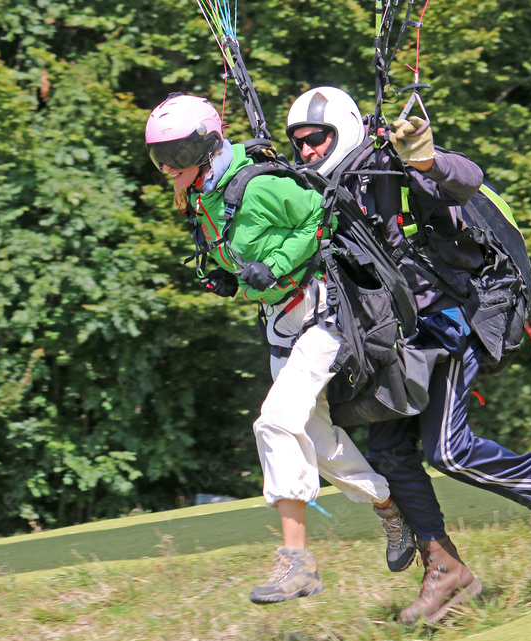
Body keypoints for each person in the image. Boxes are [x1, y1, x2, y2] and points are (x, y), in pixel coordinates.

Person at [286, 86, 531, 624]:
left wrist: (423, 156)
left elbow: (463, 180)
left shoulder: (389, 166)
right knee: (387, 450)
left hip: (448, 320)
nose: (308, 150)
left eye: (317, 138)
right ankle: (445, 569)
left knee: (446, 450)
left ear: (343, 130)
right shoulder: (318, 194)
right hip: (393, 342)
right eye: (299, 143)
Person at [144, 92, 416, 605]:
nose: (167, 168)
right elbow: (228, 252)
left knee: (273, 421)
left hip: (323, 310)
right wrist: (228, 279)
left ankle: (297, 562)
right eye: (160, 157)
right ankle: (387, 504)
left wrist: (277, 264)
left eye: (177, 155)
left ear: (205, 149)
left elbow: (323, 218)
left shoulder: (260, 184)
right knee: (312, 433)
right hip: (280, 322)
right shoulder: (204, 198)